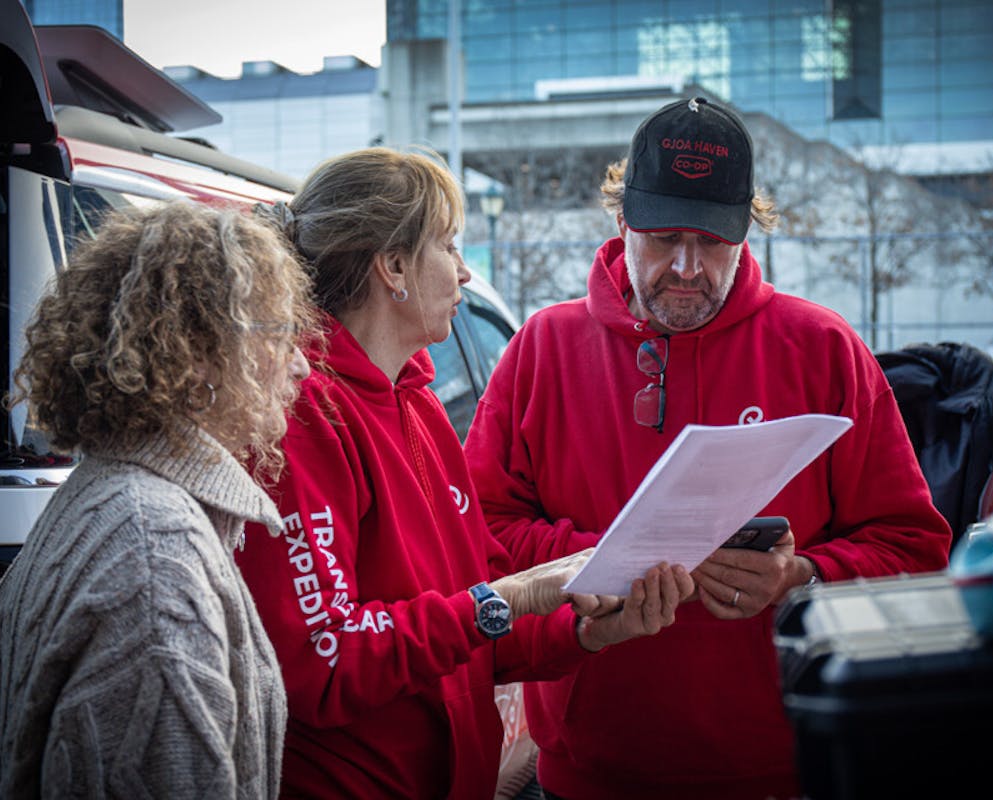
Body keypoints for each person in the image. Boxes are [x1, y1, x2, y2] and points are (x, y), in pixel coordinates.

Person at [463, 96, 954, 799]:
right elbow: (478, 537)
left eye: (714, 241)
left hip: (782, 773)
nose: (688, 268)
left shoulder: (824, 351)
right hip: (590, 772)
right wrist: (602, 565)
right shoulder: (542, 350)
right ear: (621, 219)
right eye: (663, 237)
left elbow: (915, 548)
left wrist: (801, 576)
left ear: (748, 230)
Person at [236, 147, 694, 799]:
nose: (467, 273)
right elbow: (326, 660)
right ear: (392, 267)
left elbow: (475, 614)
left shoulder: (416, 398)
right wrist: (508, 598)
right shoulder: (306, 415)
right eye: (449, 248)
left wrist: (588, 629)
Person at [0, 201, 314, 797]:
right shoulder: (156, 557)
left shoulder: (112, 493)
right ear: (198, 354)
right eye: (280, 333)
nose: (301, 365)